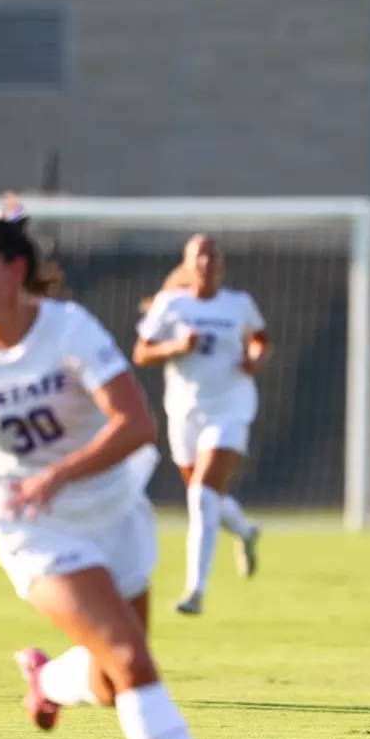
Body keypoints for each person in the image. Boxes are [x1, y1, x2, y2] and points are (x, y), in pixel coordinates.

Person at [0, 201, 263, 739]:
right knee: (134, 661)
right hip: (34, 528)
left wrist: (60, 473)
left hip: (114, 512)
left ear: (16, 271)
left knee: (108, 680)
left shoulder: (69, 330)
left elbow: (136, 425)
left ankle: (46, 685)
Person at [133, 235, 269, 616]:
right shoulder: (170, 305)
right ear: (187, 263)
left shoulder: (238, 304)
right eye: (199, 257)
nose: (206, 263)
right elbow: (141, 352)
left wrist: (255, 358)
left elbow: (260, 339)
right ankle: (245, 530)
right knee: (205, 497)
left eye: (212, 256)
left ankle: (196, 590)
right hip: (184, 412)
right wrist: (175, 347)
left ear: (221, 264)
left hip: (231, 408)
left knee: (201, 497)